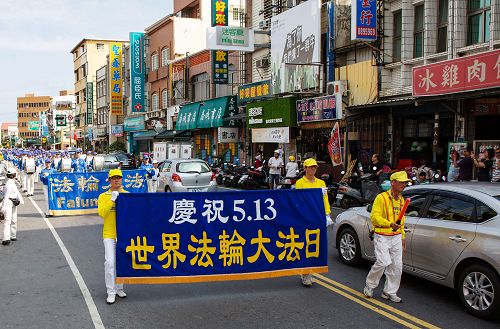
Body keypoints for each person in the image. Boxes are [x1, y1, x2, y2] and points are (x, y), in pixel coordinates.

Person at [363, 171, 410, 303]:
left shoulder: (401, 200)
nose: (404, 185)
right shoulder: (381, 198)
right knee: (383, 262)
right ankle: (370, 285)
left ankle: (389, 292)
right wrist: (389, 224)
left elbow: (402, 220)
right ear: (393, 183)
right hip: (382, 235)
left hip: (396, 236)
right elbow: (374, 217)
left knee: (397, 266)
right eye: (401, 182)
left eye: (405, 182)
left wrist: (402, 236)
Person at [295, 158, 331, 287]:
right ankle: (305, 273)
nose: (312, 169)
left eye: (314, 167)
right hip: (305, 217)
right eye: (310, 167)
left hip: (318, 216)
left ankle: (310, 271)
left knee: (315, 245)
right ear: (305, 168)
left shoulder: (321, 182)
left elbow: (324, 198)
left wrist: (327, 213)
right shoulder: (300, 183)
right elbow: (298, 200)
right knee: (305, 244)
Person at [97, 169, 128, 304]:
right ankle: (111, 291)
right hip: (109, 234)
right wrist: (112, 199)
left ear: (122, 180)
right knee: (110, 262)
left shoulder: (127, 195)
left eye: (118, 178)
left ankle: (119, 287)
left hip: (123, 234)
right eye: (113, 178)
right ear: (109, 180)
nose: (116, 180)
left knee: (122, 262)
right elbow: (102, 213)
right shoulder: (103, 196)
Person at [1, 169, 24, 245]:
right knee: (8, 220)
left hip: (14, 202)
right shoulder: (8, 184)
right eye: (14, 174)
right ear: (12, 175)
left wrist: (21, 200)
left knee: (14, 219)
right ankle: (5, 238)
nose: (15, 174)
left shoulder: (12, 182)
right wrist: (3, 208)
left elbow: (17, 192)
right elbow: (6, 196)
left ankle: (13, 235)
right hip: (9, 202)